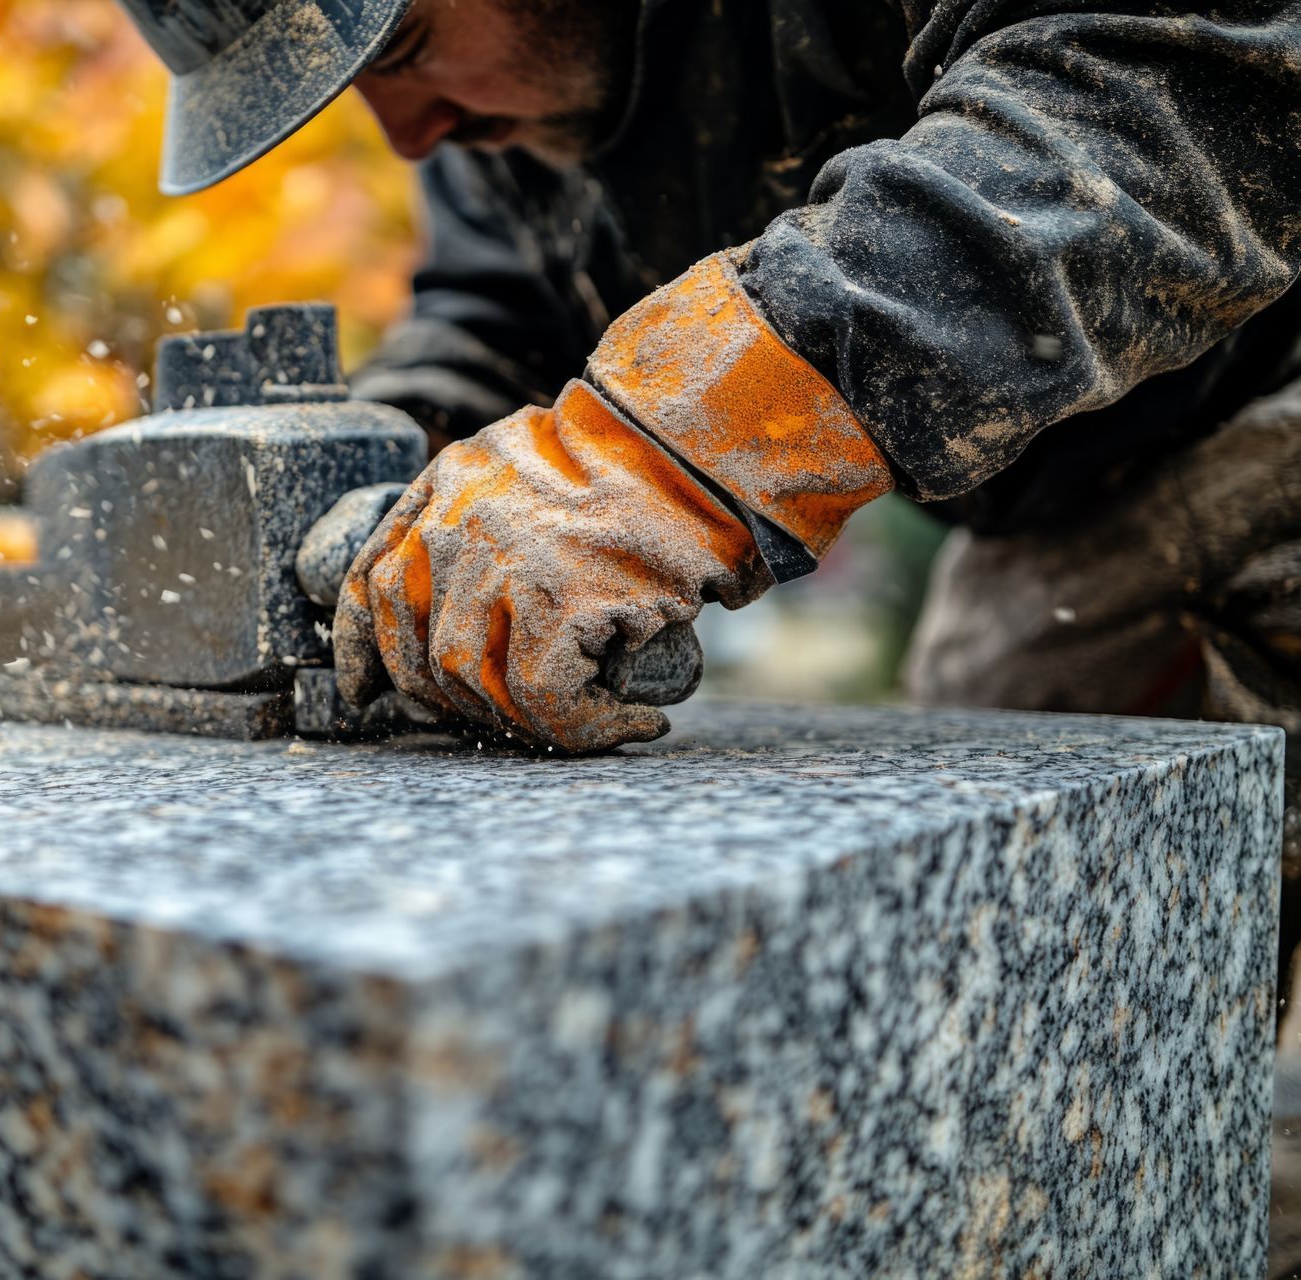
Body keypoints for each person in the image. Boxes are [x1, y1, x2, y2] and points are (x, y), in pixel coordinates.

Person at [115, 0, 1301, 982]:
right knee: (1040, 941)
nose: (409, 135)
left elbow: (1156, 102)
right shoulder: (504, 128)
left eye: (407, 46)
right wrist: (402, 478)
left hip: (1274, 397)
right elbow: (498, 316)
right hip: (1074, 498)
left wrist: (661, 451)